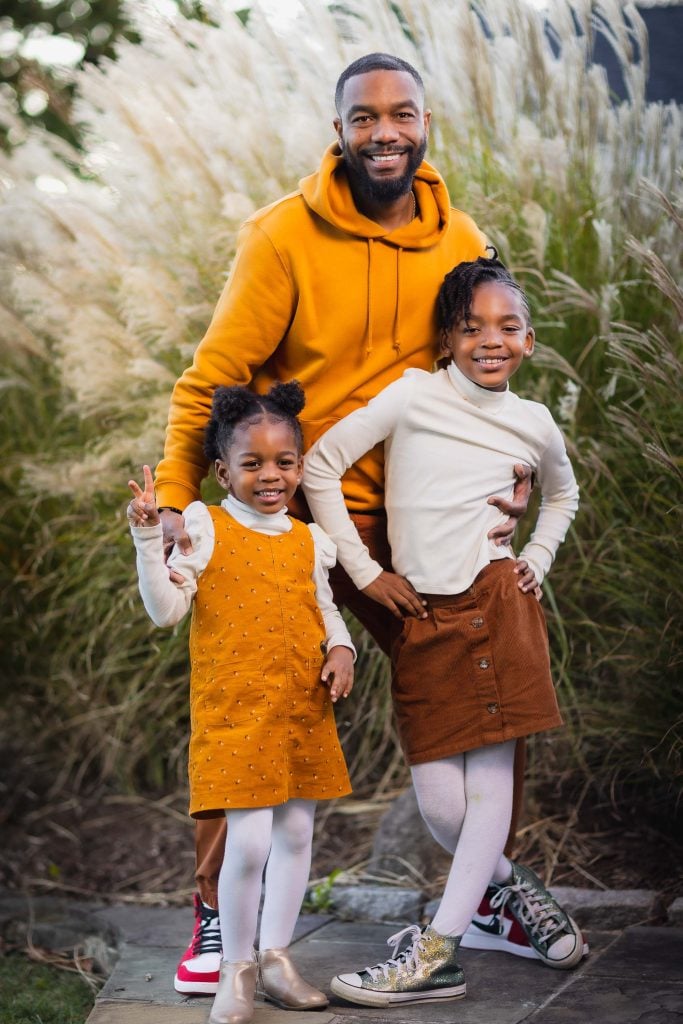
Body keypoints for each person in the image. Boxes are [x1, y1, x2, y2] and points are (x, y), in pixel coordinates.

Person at [153, 52, 531, 995]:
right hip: (288, 513)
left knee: (474, 696)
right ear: (338, 131)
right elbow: (212, 382)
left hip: (413, 517)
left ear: (426, 122)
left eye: (400, 115)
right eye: (362, 119)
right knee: (250, 698)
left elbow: (478, 381)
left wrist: (509, 480)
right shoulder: (281, 237)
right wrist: (172, 497)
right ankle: (217, 920)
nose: (383, 133)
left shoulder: (460, 241)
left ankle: (480, 890)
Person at [303, 253, 585, 1007]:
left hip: (497, 601)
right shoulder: (413, 397)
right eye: (470, 328)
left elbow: (562, 494)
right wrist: (364, 573)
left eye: (507, 327)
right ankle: (508, 888)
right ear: (446, 341)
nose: (489, 340)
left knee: (489, 787)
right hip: (421, 614)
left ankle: (437, 953)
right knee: (440, 805)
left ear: (528, 340)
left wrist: (537, 556)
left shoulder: (534, 422)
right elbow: (320, 466)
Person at [127, 381, 355, 1024]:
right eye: (252, 464)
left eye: (285, 461)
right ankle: (237, 965)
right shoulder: (208, 523)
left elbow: (325, 608)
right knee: (248, 844)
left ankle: (278, 957)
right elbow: (167, 610)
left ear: (301, 465)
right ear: (223, 471)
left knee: (298, 833)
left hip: (300, 708)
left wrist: (344, 650)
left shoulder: (310, 539)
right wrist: (149, 543)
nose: (271, 475)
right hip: (236, 712)